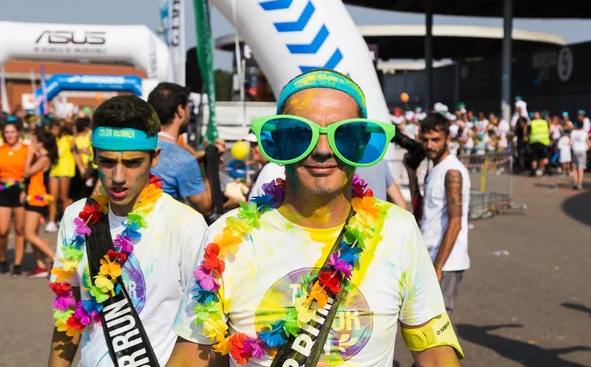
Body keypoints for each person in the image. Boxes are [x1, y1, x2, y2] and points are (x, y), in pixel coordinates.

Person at [168, 70, 463, 366]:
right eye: (300, 135)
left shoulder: (397, 231)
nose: (322, 150)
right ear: (279, 143)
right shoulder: (227, 237)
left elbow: (437, 356)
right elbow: (192, 360)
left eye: (343, 135)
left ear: (361, 145)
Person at [48, 95, 207, 367]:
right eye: (107, 162)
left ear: (154, 157)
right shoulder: (77, 217)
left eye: (133, 162)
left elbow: (201, 333)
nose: (118, 177)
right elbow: (68, 317)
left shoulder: (186, 225)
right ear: (94, 157)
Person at [419, 113, 471, 316]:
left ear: (448, 139)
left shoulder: (452, 172)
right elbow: (424, 214)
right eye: (425, 140)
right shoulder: (436, 169)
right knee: (424, 330)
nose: (429, 145)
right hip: (430, 257)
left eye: (435, 140)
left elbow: (455, 222)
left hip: (446, 263)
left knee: (439, 332)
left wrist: (438, 267)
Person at [148, 82, 224, 216]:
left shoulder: (138, 145)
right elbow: (207, 207)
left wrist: (198, 158)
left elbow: (166, 164)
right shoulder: (183, 160)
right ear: (180, 110)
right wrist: (212, 161)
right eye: (188, 107)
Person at [0, 117, 28, 275]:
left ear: (18, 132)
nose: (10, 135)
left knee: (20, 229)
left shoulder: (27, 149)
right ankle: (2, 259)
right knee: (2, 229)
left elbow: (31, 174)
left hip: (20, 191)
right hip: (3, 191)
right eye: (7, 132)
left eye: (12, 131)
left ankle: (18, 263)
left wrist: (25, 190)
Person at [22, 128, 59, 278]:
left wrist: (30, 153)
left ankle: (56, 261)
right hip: (32, 196)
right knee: (32, 233)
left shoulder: (44, 158)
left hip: (37, 199)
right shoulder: (42, 157)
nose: (31, 143)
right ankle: (40, 265)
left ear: (40, 143)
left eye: (33, 140)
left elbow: (26, 173)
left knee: (29, 234)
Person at [46, 122, 76, 232]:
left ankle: (65, 221)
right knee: (53, 197)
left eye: (56, 129)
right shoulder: (51, 140)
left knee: (64, 197)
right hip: (54, 171)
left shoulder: (69, 139)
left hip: (65, 171)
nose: (54, 132)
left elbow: (75, 153)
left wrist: (81, 167)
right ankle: (51, 221)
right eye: (52, 129)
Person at [529, 111, 551, 176]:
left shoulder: (532, 123)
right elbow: (549, 127)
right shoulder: (544, 122)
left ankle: (533, 171)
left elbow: (528, 131)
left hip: (534, 142)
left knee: (534, 157)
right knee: (543, 156)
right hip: (543, 141)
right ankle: (546, 170)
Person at [570, 121, 590, 190]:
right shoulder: (585, 133)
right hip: (582, 151)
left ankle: (575, 182)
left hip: (575, 150)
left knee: (575, 167)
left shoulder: (573, 132)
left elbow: (570, 142)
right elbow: (588, 143)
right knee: (581, 168)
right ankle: (579, 184)